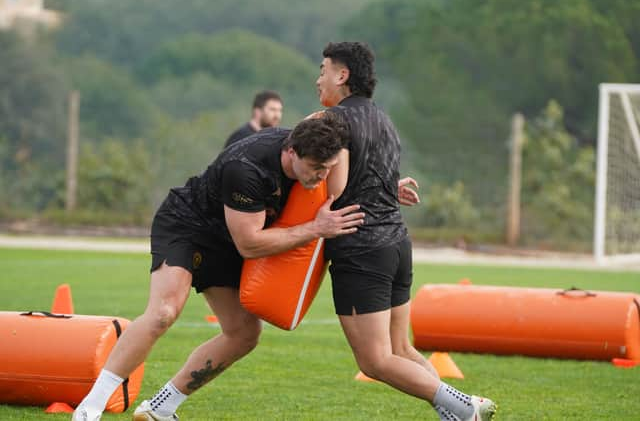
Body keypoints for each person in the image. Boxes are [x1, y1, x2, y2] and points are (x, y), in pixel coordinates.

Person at [72, 112, 365, 421]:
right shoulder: (247, 168)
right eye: (316, 168)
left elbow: (344, 168)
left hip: (226, 240)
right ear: (291, 152)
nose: (321, 176)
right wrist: (315, 229)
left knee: (244, 333)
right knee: (163, 313)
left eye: (327, 168)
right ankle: (91, 407)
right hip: (189, 227)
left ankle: (161, 406)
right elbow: (249, 244)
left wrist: (386, 189)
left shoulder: (313, 148)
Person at [317, 42, 497, 421]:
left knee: (375, 361)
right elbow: (377, 176)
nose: (318, 79)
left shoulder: (332, 121)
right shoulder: (384, 119)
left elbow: (336, 188)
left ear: (342, 75)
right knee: (401, 349)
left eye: (323, 70)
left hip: (361, 248)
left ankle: (465, 408)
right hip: (397, 244)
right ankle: (457, 412)